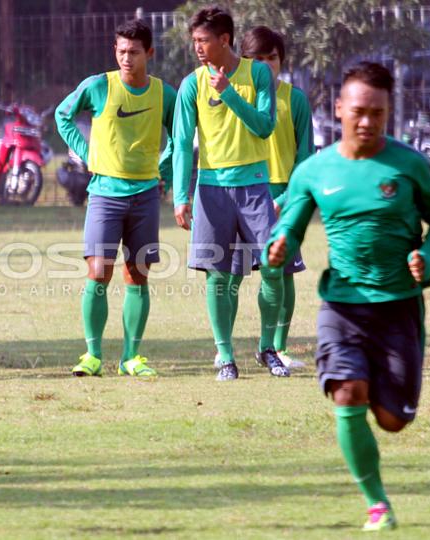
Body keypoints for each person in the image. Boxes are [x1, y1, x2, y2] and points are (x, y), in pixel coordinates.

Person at [265, 62, 430, 531]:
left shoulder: (409, 165)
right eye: (359, 111)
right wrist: (281, 240)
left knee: (392, 420)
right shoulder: (315, 170)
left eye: (378, 113)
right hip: (342, 304)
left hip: (399, 307)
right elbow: (290, 218)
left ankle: (375, 387)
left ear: (388, 113)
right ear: (340, 109)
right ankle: (377, 504)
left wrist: (428, 257)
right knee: (348, 392)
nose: (367, 121)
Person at [171, 6, 288, 381]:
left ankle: (267, 348)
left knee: (272, 266)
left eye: (204, 41)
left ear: (225, 39)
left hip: (254, 187)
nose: (198, 48)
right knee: (217, 276)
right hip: (211, 190)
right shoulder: (191, 84)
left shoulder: (257, 74)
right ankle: (225, 357)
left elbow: (265, 127)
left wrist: (230, 95)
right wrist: (180, 196)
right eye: (195, 42)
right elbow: (182, 142)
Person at [55, 18, 176, 377]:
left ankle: (130, 358)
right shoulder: (98, 86)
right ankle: (92, 356)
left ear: (149, 53)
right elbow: (64, 116)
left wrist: (164, 172)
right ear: (115, 50)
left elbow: (181, 135)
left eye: (134, 52)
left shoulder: (163, 93)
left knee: (137, 275)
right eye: (121, 51)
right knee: (97, 273)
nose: (127, 58)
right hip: (104, 194)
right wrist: (87, 153)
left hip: (144, 196)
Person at [239, 26, 315, 370]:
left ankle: (277, 347)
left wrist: (286, 197)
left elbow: (305, 156)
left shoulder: (294, 99)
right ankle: (224, 347)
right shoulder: (234, 97)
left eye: (272, 58)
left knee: (283, 272)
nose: (266, 65)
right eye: (258, 59)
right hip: (241, 191)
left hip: (281, 194)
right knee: (229, 272)